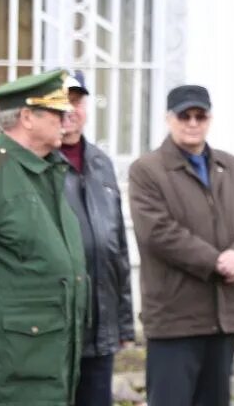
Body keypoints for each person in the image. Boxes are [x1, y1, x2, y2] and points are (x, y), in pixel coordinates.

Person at [128, 85, 234, 406]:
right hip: (176, 318)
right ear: (168, 119)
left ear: (209, 119)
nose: (192, 123)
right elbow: (158, 231)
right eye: (184, 116)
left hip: (224, 315)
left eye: (200, 116)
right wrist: (216, 261)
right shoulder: (147, 170)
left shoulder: (230, 167)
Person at [0, 69, 88, 405]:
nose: (68, 118)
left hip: (53, 367)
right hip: (10, 373)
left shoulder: (50, 174)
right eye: (58, 112)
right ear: (28, 117)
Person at [59, 72, 135, 406]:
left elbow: (117, 248)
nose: (70, 110)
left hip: (101, 331)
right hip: (56, 333)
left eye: (76, 100)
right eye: (61, 101)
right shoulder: (35, 164)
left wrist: (123, 323)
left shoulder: (102, 164)